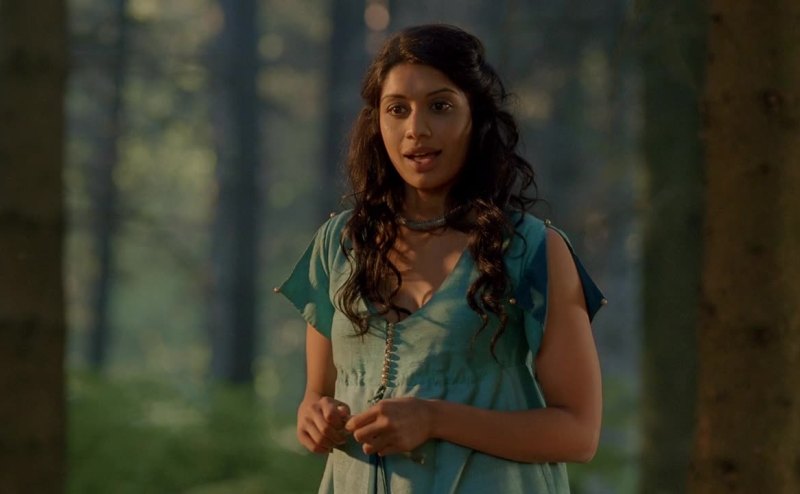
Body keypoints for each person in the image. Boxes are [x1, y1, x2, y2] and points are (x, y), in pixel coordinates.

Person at [277, 23, 606, 494]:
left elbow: (579, 433)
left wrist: (434, 419)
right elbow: (318, 393)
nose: (417, 129)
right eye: (398, 109)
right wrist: (314, 415)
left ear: (477, 118)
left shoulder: (531, 249)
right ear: (377, 122)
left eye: (441, 106)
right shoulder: (339, 244)